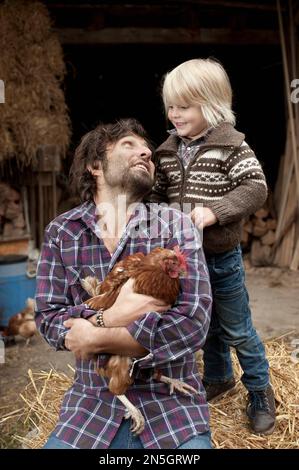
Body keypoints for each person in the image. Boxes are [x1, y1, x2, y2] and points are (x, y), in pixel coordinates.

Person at [35, 118, 213, 449]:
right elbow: (48, 320)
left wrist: (95, 336)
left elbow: (194, 323)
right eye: (128, 145)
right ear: (94, 166)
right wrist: (114, 317)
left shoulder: (175, 225)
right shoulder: (63, 232)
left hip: (169, 402)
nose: (146, 151)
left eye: (147, 149)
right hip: (92, 405)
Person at [149, 58, 276, 435]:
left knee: (237, 328)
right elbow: (158, 194)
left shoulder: (232, 145)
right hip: (186, 260)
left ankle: (260, 391)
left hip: (220, 257)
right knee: (206, 327)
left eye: (184, 106)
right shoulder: (167, 151)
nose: (174, 114)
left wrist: (214, 212)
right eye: (171, 106)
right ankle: (219, 378)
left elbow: (255, 188)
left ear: (211, 104)